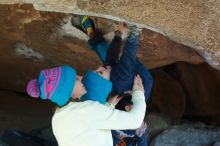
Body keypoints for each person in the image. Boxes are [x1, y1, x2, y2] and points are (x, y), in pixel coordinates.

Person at [26, 65, 146, 146]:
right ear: (68, 91)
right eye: (75, 79)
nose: (81, 77)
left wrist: (108, 107)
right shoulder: (87, 109)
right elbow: (135, 121)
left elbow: (88, 128)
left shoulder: (57, 117)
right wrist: (139, 93)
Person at [78, 16, 153, 105]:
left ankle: (91, 33)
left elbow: (111, 55)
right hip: (141, 79)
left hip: (116, 79)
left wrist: (119, 33)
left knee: (102, 49)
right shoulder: (122, 77)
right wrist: (135, 33)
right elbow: (128, 55)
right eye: (99, 72)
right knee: (127, 59)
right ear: (106, 84)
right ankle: (135, 37)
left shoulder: (106, 76)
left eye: (95, 70)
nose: (99, 67)